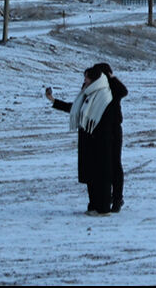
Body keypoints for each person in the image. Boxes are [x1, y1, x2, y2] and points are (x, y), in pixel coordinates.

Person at [47, 65, 119, 216]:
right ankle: (93, 206)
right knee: (90, 174)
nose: (84, 80)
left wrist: (99, 135)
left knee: (102, 175)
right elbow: (76, 109)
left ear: (94, 79)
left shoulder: (105, 95)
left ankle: (104, 207)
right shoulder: (86, 94)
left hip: (101, 141)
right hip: (87, 139)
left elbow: (109, 119)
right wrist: (54, 101)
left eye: (87, 77)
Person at [93, 62, 128, 213]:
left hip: (114, 129)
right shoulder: (95, 89)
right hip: (100, 130)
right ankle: (106, 198)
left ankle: (117, 198)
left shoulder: (113, 88)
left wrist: (112, 78)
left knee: (115, 164)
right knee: (104, 165)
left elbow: (123, 91)